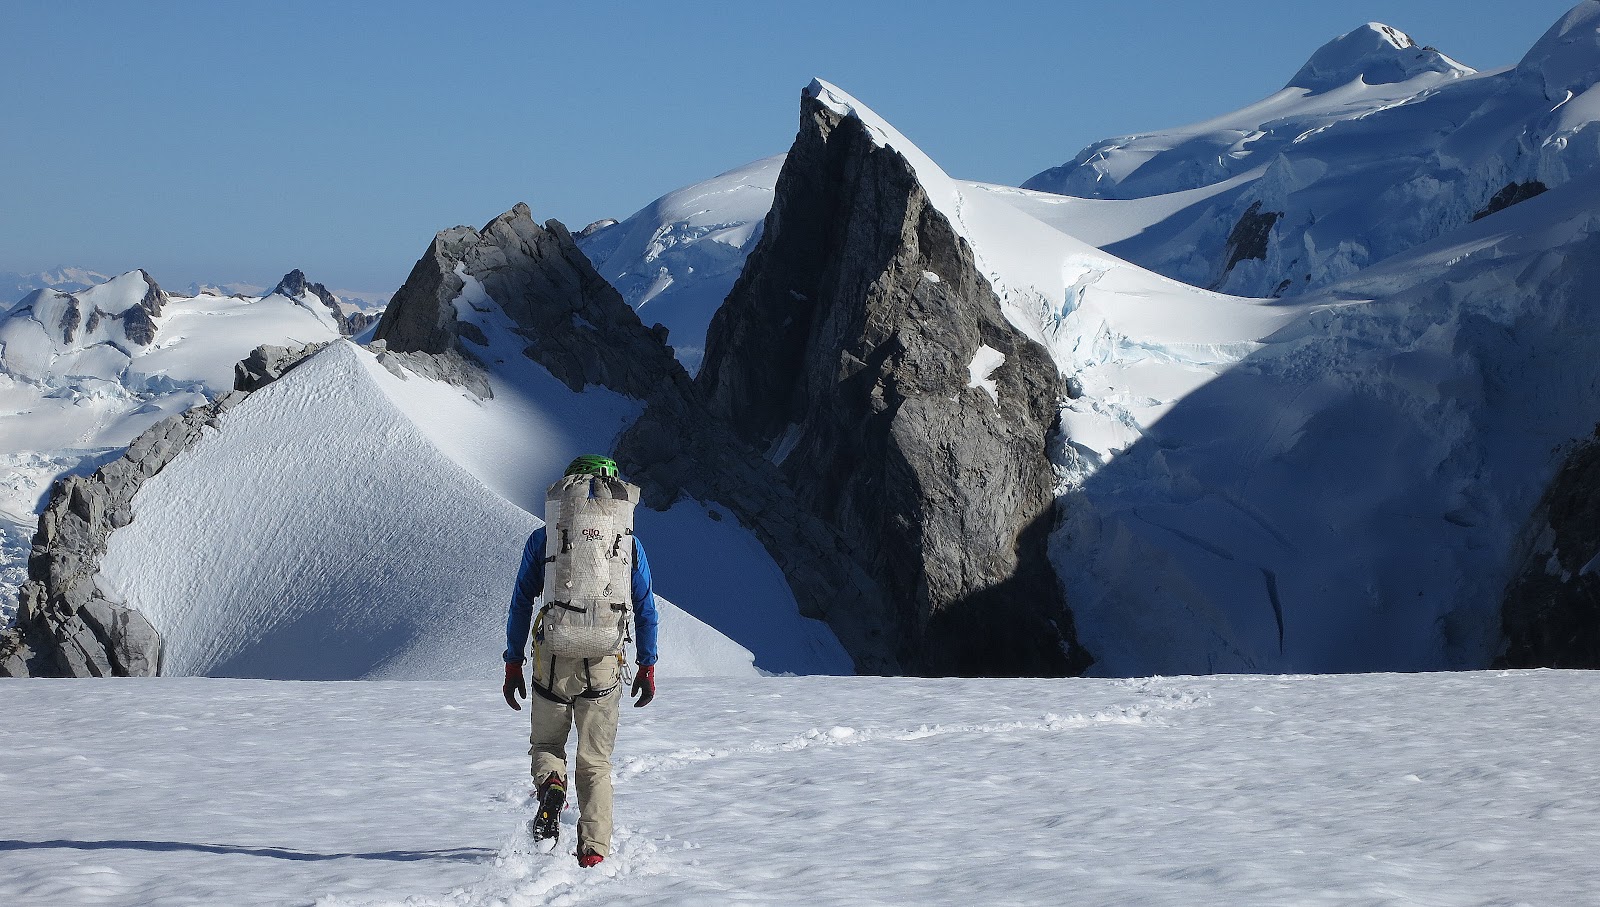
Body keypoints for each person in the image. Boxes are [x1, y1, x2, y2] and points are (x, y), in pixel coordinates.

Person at [502, 454, 659, 868]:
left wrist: (512, 662)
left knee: (548, 744)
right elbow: (644, 608)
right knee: (595, 762)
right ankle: (592, 852)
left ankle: (552, 781)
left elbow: (521, 602)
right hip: (605, 661)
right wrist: (647, 664)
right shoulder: (627, 543)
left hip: (552, 659)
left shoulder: (547, 538)